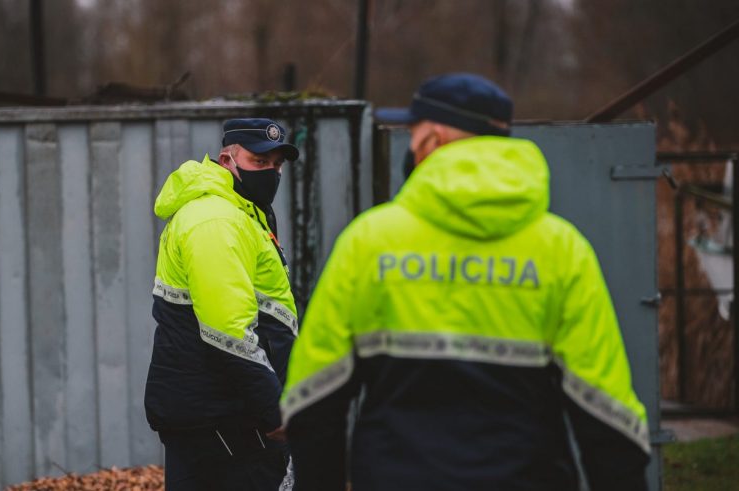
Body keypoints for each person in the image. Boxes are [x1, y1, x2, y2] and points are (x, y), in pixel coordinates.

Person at [281, 73, 650, 491]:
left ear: (434, 140)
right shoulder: (563, 251)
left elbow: (312, 399)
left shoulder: (369, 243)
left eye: (414, 134)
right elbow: (607, 414)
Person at [144, 118, 300, 490]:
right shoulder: (216, 219)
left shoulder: (239, 210)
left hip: (222, 412)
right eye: (259, 162)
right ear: (227, 160)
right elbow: (226, 329)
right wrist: (273, 410)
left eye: (277, 164)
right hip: (228, 419)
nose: (271, 172)